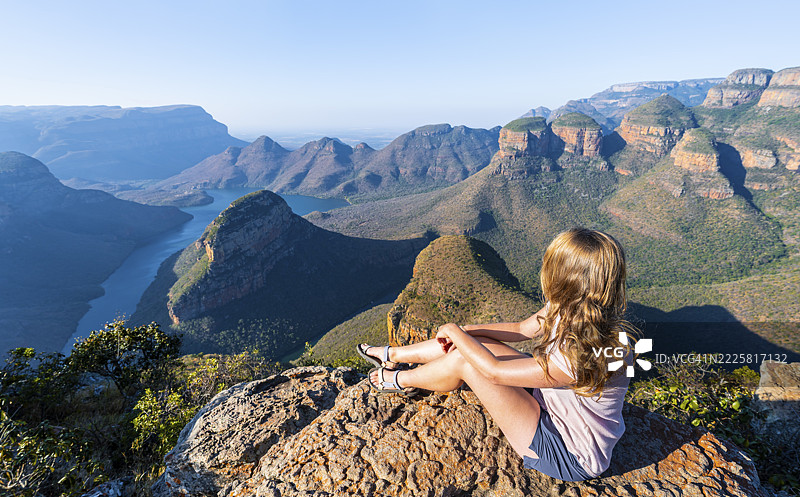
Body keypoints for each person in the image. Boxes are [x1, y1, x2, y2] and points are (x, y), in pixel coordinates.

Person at [357, 228, 636, 481]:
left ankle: (401, 380)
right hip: (549, 403)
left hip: (566, 451)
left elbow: (494, 372)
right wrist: (468, 331)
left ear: (562, 278)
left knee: (464, 359)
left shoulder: (586, 354)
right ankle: (392, 354)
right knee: (473, 344)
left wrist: (457, 334)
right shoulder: (569, 308)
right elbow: (522, 329)